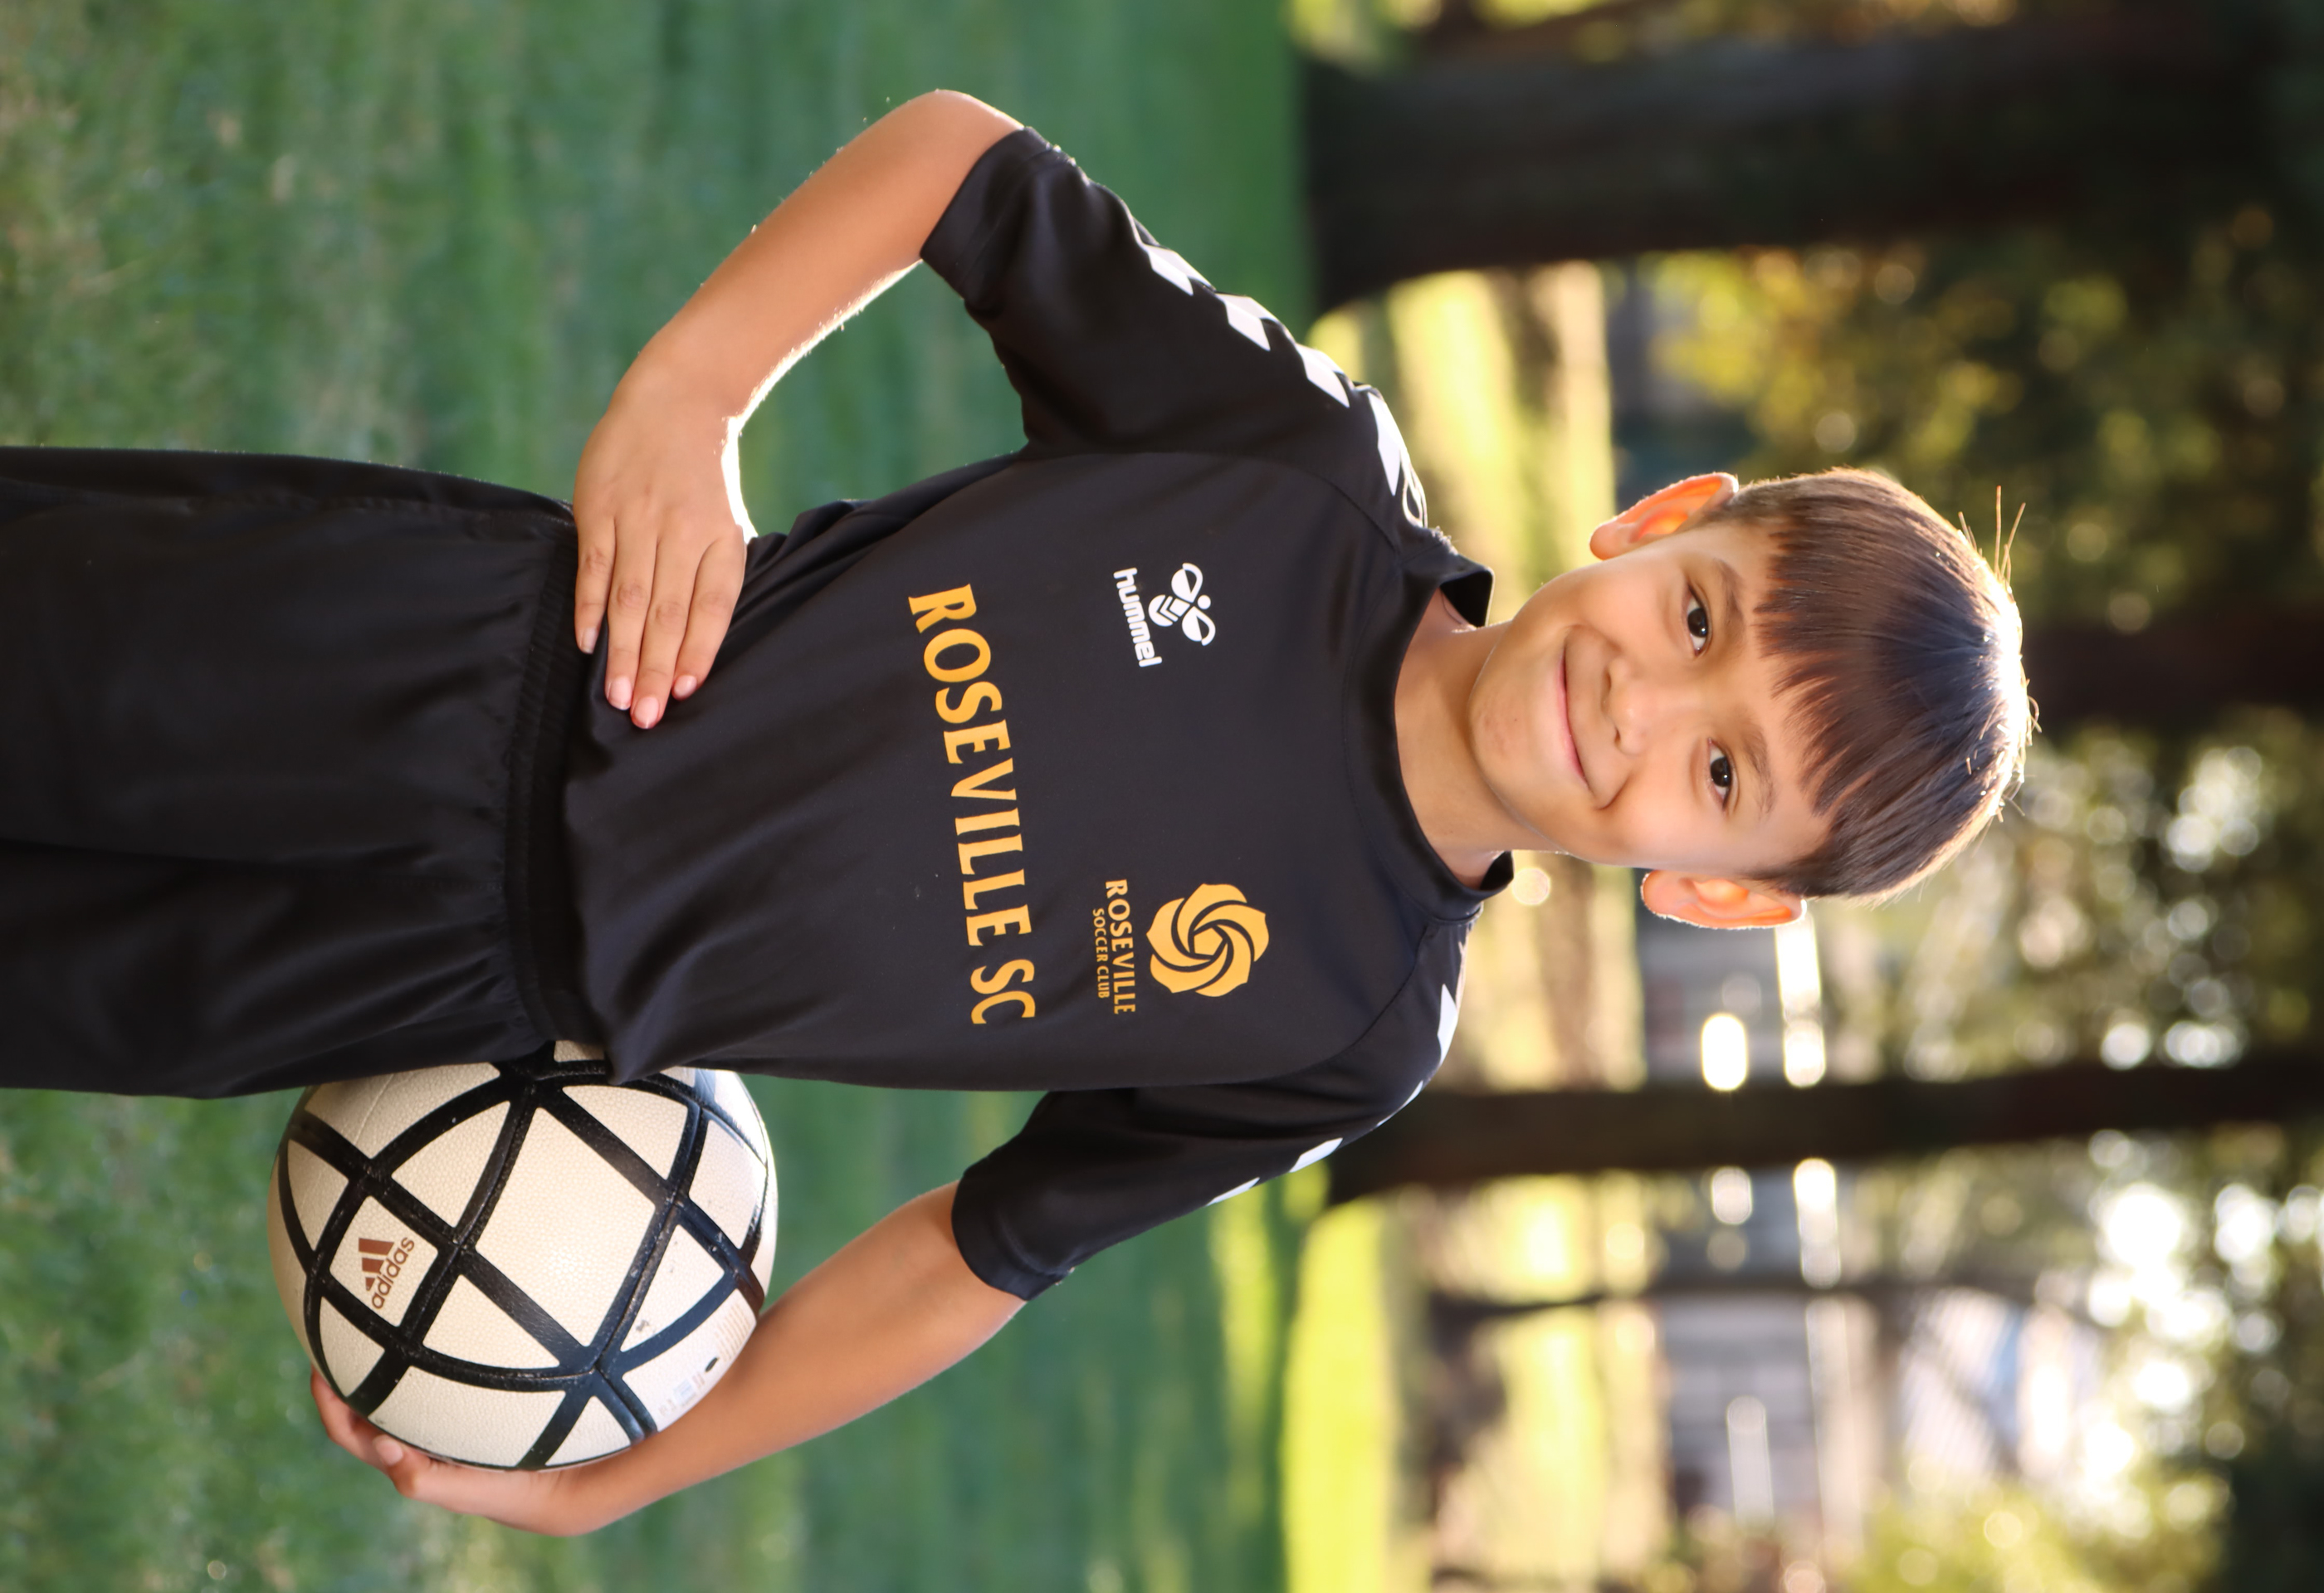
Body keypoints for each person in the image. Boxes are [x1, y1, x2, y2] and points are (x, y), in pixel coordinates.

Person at [0, 91, 2027, 1532]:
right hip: (441, 650)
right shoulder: (1292, 468)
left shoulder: (1337, 1027)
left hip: (453, 981)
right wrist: (693, 391)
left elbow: (975, 1254)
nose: (1639, 702)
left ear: (1716, 893)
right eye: (1697, 619)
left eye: (1720, 773)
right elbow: (961, 166)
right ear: (1664, 520)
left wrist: (627, 1472)